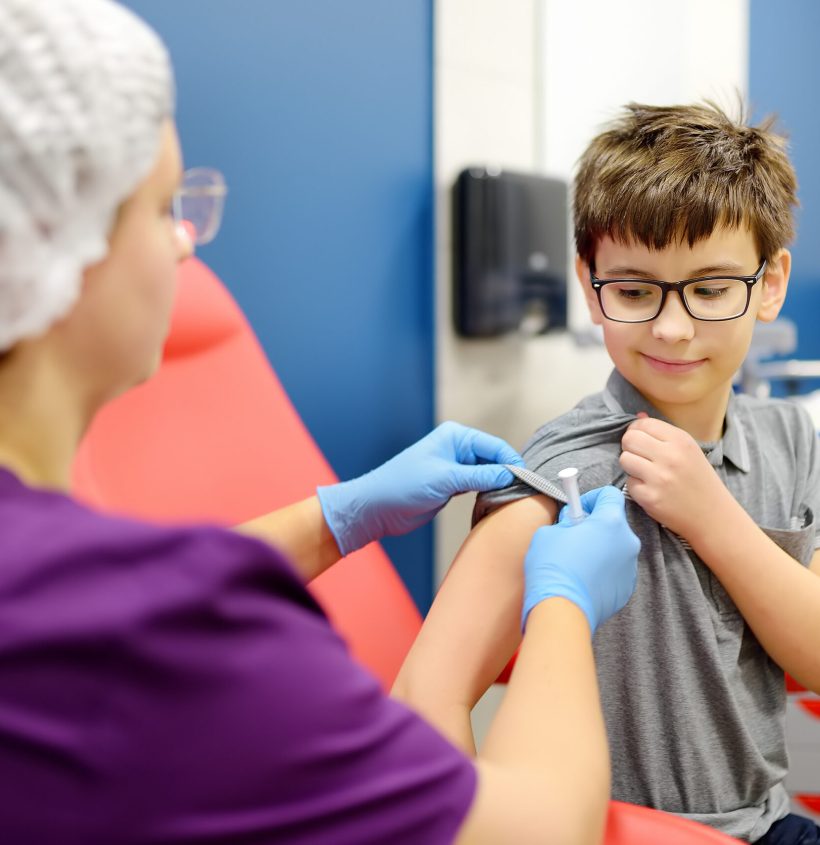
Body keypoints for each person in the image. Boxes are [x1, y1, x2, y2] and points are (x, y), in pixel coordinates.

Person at [0, 2, 641, 843]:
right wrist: (562, 604)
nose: (187, 244)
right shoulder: (157, 640)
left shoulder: (71, 601)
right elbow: (538, 828)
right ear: (58, 248)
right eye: (164, 209)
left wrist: (337, 515)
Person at [393, 102, 820, 845]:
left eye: (712, 288)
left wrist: (712, 518)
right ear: (590, 286)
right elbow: (425, 694)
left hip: (770, 823)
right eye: (634, 291)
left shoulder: (791, 438)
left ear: (772, 281)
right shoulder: (560, 476)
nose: (673, 328)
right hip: (624, 833)